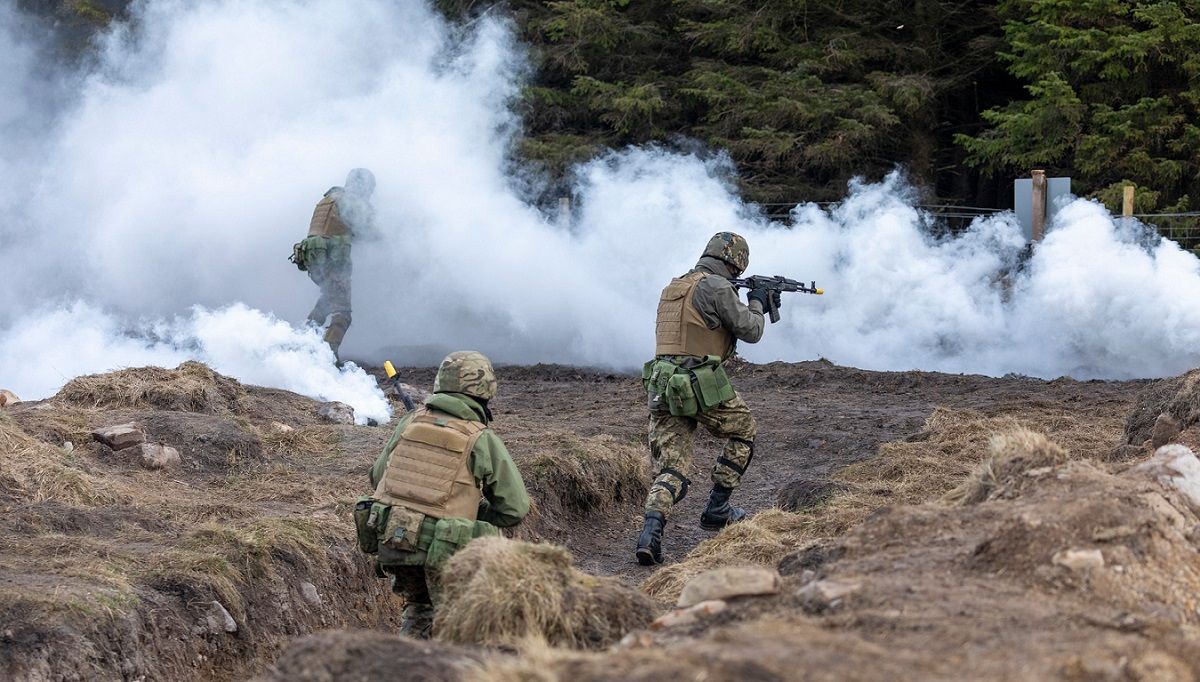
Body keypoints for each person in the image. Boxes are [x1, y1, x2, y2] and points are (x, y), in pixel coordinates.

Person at [357, 351, 530, 638]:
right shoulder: (480, 437)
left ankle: (405, 662)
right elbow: (514, 508)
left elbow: (377, 476)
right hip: (446, 546)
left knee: (420, 607)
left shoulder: (410, 422)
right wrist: (472, 508)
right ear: (484, 390)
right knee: (460, 622)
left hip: (396, 541)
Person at [635, 231, 780, 566]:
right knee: (744, 430)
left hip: (663, 385)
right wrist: (757, 301)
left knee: (672, 467)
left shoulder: (674, 286)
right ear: (736, 262)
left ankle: (649, 534)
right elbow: (752, 331)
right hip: (700, 383)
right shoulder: (717, 287)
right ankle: (717, 508)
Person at [290, 168, 376, 361]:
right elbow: (368, 231)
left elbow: (333, 227)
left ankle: (301, 344)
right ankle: (328, 356)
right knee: (343, 312)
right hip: (332, 260)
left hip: (312, 259)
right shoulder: (352, 202)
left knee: (328, 300)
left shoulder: (328, 199)